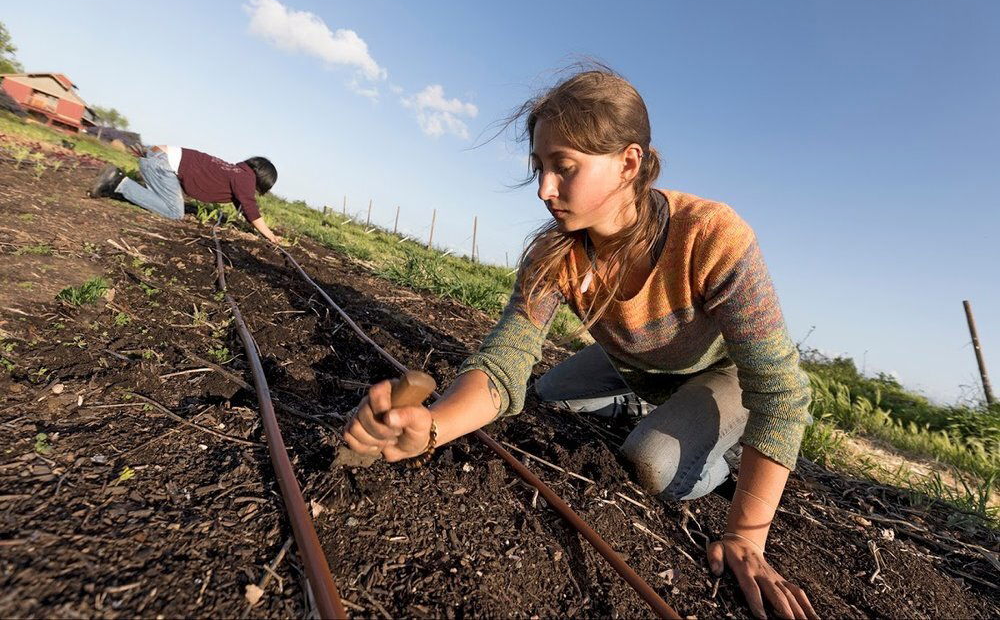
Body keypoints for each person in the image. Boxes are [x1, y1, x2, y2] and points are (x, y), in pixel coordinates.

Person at [342, 68, 818, 619]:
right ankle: (649, 403)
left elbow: (781, 393)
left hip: (718, 374)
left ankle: (729, 452)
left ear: (629, 163)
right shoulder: (556, 254)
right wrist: (431, 428)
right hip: (633, 365)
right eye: (540, 168)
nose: (545, 189)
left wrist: (745, 535)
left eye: (564, 167)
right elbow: (503, 365)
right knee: (547, 394)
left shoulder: (713, 236)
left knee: (650, 462)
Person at [89, 145, 282, 243]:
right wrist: (270, 235)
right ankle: (118, 182)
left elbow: (242, 205)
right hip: (160, 163)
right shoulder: (245, 179)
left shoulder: (236, 171)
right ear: (261, 179)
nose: (254, 192)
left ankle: (122, 185)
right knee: (175, 211)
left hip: (155, 155)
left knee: (169, 202)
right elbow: (250, 207)